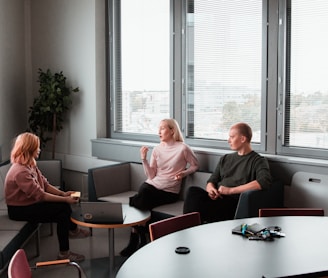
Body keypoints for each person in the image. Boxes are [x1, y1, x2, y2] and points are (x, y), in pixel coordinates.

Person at [4, 132, 90, 262]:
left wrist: (63, 194)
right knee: (62, 209)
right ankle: (67, 245)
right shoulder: (20, 171)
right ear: (29, 149)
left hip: (29, 204)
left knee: (62, 209)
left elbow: (44, 183)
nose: (39, 149)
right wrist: (65, 199)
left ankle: (70, 236)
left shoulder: (30, 164)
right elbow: (40, 195)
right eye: (36, 147)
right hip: (18, 210)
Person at [120, 118, 199, 257]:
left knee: (139, 199)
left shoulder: (183, 148)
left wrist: (183, 173)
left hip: (169, 191)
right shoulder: (157, 149)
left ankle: (135, 239)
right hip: (153, 185)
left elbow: (195, 165)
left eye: (162, 128)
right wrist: (143, 159)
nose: (159, 132)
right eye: (159, 128)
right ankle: (140, 236)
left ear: (172, 130)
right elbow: (151, 176)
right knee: (144, 192)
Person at [183, 122, 272, 223]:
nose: (228, 140)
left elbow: (264, 181)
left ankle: (187, 228)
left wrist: (230, 191)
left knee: (198, 209)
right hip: (217, 199)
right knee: (193, 191)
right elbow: (212, 180)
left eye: (232, 137)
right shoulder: (225, 158)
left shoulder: (258, 160)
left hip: (233, 202)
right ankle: (188, 228)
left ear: (243, 139)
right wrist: (211, 190)